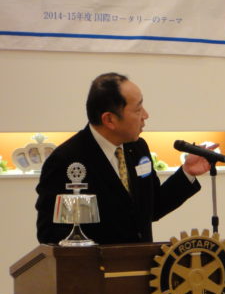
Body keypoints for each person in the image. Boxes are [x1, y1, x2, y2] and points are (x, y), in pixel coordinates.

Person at [36, 72, 213, 245]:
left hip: (141, 261)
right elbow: (50, 234)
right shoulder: (67, 159)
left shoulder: (137, 148)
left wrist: (187, 172)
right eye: (138, 109)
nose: (146, 115)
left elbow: (152, 208)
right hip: (99, 264)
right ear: (109, 120)